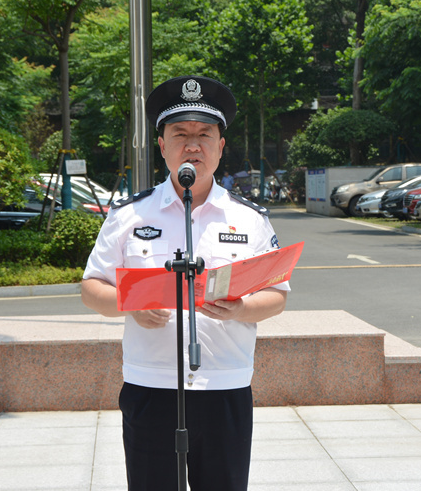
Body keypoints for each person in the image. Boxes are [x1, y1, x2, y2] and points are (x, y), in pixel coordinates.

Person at [80, 76, 289, 491]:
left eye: (204, 135)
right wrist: (130, 305)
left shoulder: (250, 219)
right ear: (162, 145)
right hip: (151, 385)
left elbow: (277, 295)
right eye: (180, 134)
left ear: (220, 146)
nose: (192, 145)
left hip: (224, 384)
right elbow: (91, 288)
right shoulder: (129, 216)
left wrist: (244, 309)